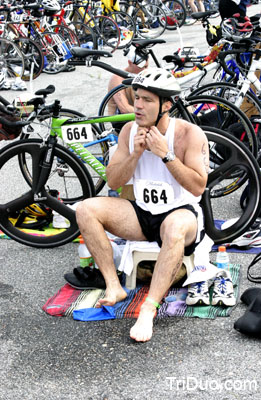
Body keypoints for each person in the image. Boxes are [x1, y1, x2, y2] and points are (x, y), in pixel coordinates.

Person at [75, 68, 209, 342]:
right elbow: (113, 182)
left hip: (181, 214)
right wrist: (135, 154)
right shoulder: (128, 131)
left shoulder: (189, 134)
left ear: (166, 105)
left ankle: (148, 308)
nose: (137, 105)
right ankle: (114, 287)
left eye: (147, 100)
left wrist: (166, 154)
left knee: (173, 228)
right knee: (86, 209)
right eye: (136, 98)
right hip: (142, 213)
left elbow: (198, 186)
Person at [107, 47, 149, 116]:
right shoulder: (117, 78)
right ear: (130, 63)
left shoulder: (142, 74)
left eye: (146, 66)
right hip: (121, 121)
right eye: (142, 67)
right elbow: (124, 109)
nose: (145, 70)